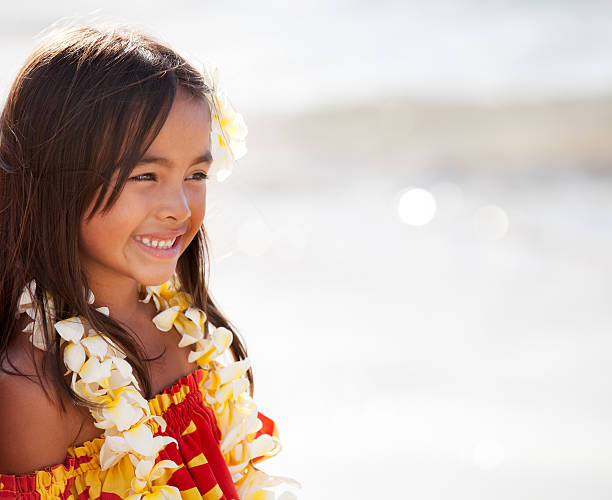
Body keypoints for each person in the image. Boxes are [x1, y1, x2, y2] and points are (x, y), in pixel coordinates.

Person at [0, 25, 298, 500]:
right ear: (56, 175)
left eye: (196, 173)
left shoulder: (186, 334)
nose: (180, 207)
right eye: (145, 174)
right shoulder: (33, 390)